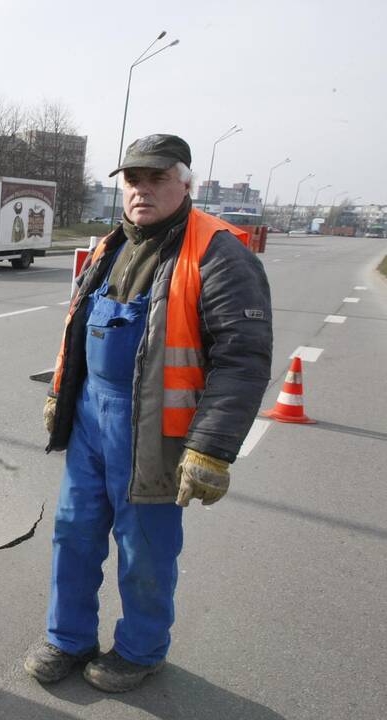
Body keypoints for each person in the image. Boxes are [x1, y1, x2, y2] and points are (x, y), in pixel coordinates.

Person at [23, 134, 272, 692]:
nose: (142, 190)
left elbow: (243, 359)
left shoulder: (219, 252)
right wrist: (59, 394)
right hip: (91, 419)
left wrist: (211, 447)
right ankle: (68, 637)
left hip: (158, 431)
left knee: (145, 548)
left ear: (186, 183)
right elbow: (76, 331)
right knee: (74, 533)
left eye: (156, 178)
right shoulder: (113, 244)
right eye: (133, 179)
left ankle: (140, 649)